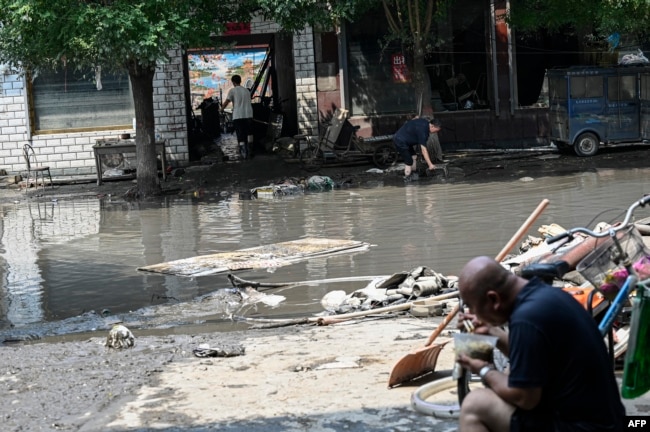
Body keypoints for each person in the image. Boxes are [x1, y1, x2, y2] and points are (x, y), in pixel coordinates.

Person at [455, 256, 626, 432]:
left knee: (474, 405)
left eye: (472, 306)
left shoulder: (527, 319)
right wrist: (491, 331)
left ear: (494, 299)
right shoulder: (545, 296)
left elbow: (525, 398)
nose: (472, 313)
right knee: (510, 373)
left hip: (583, 426)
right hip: (607, 420)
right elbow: (532, 354)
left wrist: (483, 369)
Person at [392, 117, 442, 181]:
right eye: (436, 130)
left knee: (414, 156)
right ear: (432, 126)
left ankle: (413, 174)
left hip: (405, 140)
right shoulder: (423, 132)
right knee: (409, 161)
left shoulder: (425, 122)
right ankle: (407, 179)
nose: (436, 132)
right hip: (400, 140)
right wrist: (430, 165)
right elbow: (424, 150)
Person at [221, 75, 254, 159]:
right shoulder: (247, 91)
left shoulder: (232, 91)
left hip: (238, 116)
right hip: (249, 115)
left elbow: (227, 101)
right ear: (240, 81)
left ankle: (243, 152)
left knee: (240, 134)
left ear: (233, 82)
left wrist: (221, 109)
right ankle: (250, 150)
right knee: (249, 133)